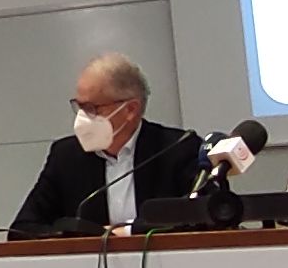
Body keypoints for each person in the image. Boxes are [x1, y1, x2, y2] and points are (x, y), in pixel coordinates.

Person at [10, 54, 202, 236]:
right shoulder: (65, 156)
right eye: (79, 107)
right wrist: (78, 236)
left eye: (91, 108)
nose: (82, 118)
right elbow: (22, 229)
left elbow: (202, 219)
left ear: (130, 110)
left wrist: (127, 232)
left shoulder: (178, 148)